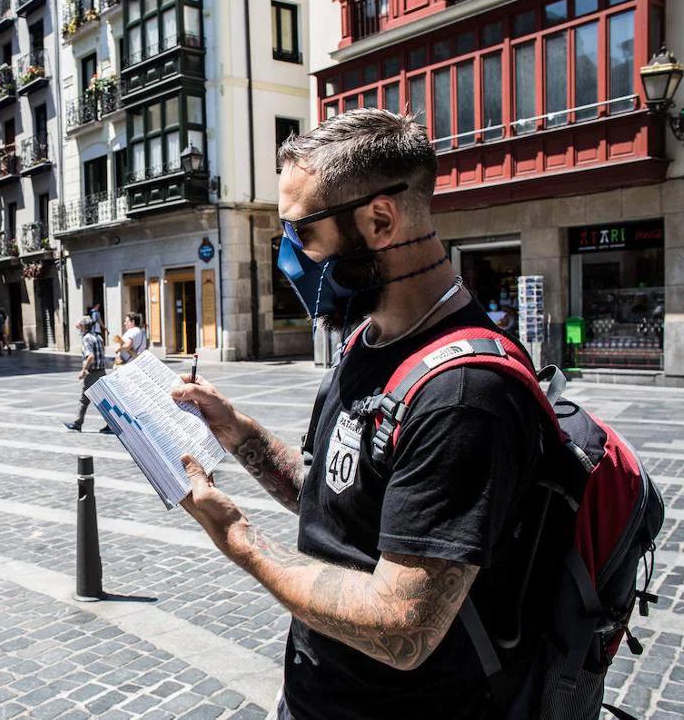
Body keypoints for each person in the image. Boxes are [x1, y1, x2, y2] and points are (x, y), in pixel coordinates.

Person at [171, 110, 548, 720]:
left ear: (378, 220)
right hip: (314, 696)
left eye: (303, 233)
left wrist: (238, 539)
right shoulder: (364, 342)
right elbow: (336, 497)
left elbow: (404, 626)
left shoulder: (463, 392)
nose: (291, 257)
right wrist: (240, 433)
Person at [63, 315, 111, 433]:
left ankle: (77, 423)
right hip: (102, 372)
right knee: (103, 400)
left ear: (84, 326)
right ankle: (111, 424)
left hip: (92, 373)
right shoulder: (98, 337)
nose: (78, 328)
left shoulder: (86, 339)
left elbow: (90, 357)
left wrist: (83, 370)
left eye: (80, 325)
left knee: (84, 399)